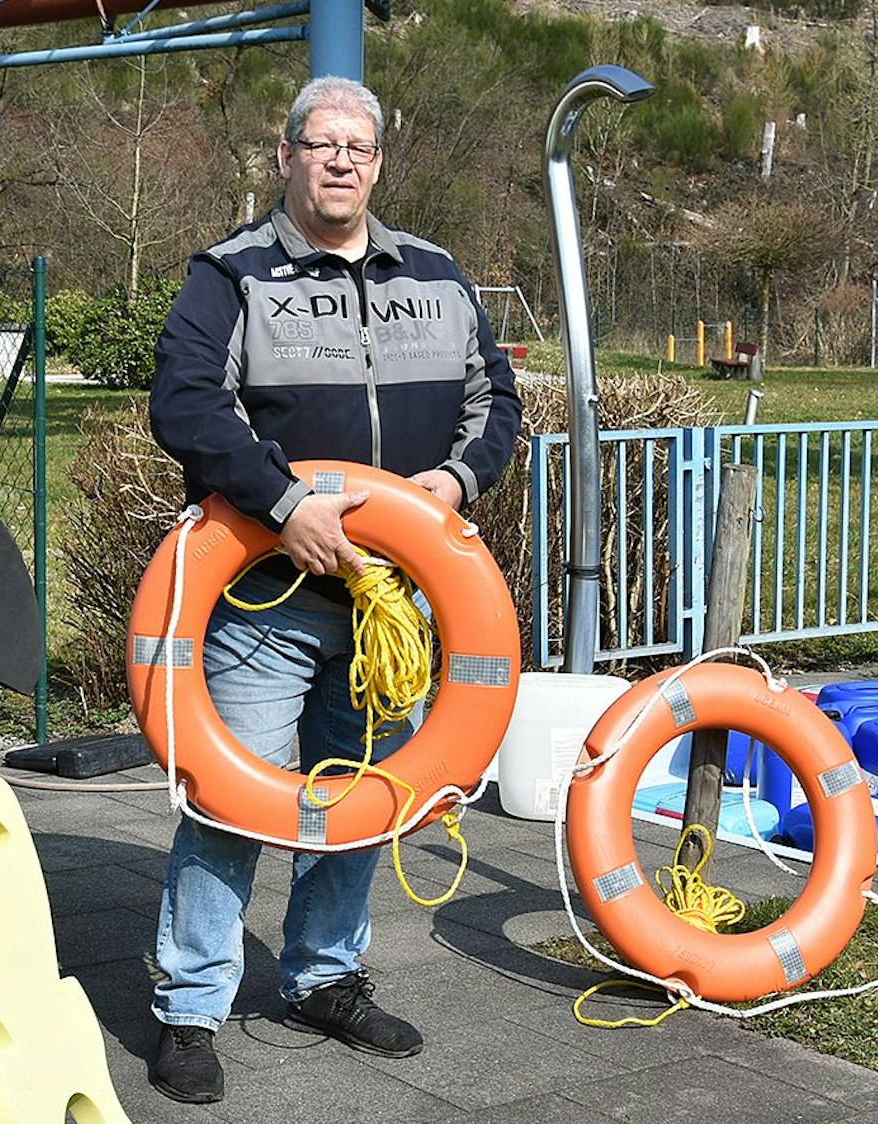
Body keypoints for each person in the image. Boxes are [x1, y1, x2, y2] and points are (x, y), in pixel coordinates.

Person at [142, 74, 522, 1104]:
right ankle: (189, 1006)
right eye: (321, 144)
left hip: (385, 611)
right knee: (229, 804)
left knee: (356, 802)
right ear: (287, 157)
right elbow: (182, 402)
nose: (340, 161)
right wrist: (277, 498)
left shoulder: (437, 278)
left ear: (379, 163)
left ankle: (322, 977)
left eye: (357, 146)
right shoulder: (232, 273)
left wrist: (453, 480)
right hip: (265, 601)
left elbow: (496, 401)